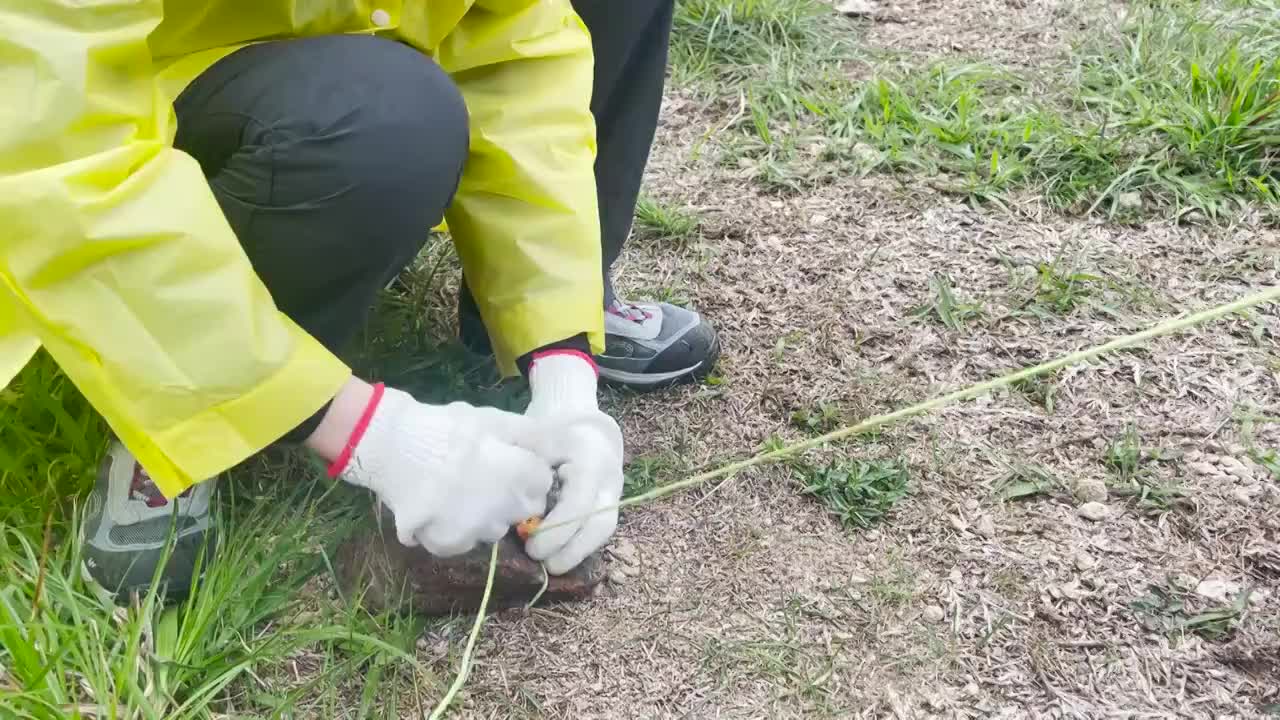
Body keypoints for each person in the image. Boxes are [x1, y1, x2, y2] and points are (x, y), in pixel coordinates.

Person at [0, 0, 718, 601]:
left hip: (344, 73)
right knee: (385, 120)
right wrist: (371, 434)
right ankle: (172, 405)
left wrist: (563, 364)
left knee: (390, 107)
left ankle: (516, 323)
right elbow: (48, 153)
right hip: (146, 105)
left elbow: (513, 44)